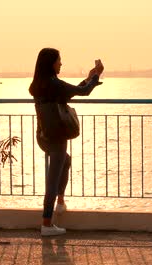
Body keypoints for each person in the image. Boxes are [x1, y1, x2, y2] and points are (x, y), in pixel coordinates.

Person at [29, 48, 104, 236]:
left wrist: (88, 79)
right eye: (59, 60)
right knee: (52, 180)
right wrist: (96, 76)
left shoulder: (39, 84)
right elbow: (83, 92)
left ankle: (60, 204)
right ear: (51, 63)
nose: (61, 63)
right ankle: (47, 223)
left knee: (66, 161)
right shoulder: (54, 84)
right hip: (57, 137)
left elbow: (73, 91)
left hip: (43, 136)